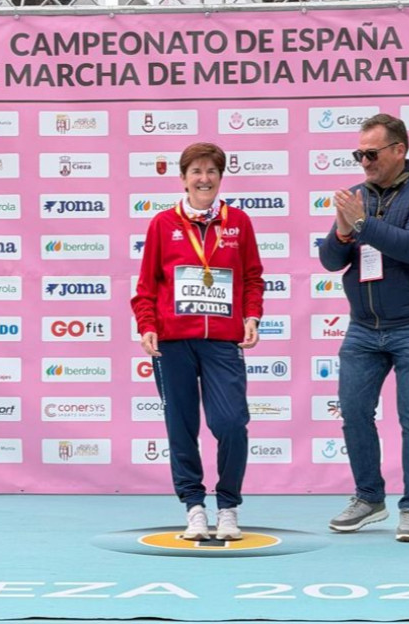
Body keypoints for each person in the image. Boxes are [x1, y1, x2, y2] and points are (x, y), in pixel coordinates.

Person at [318, 113, 409, 542]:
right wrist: (342, 233)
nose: (364, 162)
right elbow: (331, 262)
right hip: (363, 328)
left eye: (371, 153)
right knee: (353, 411)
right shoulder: (357, 196)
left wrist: (361, 224)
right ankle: (369, 497)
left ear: (399, 150)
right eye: (358, 154)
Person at [131, 142, 264, 541]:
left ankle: (228, 507)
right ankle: (194, 507)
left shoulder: (238, 222)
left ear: (220, 178)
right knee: (181, 426)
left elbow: (253, 278)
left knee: (231, 423)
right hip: (173, 342)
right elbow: (146, 286)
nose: (204, 179)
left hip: (222, 341)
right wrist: (147, 325)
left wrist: (252, 316)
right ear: (183, 178)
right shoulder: (162, 224)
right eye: (196, 172)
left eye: (211, 172)